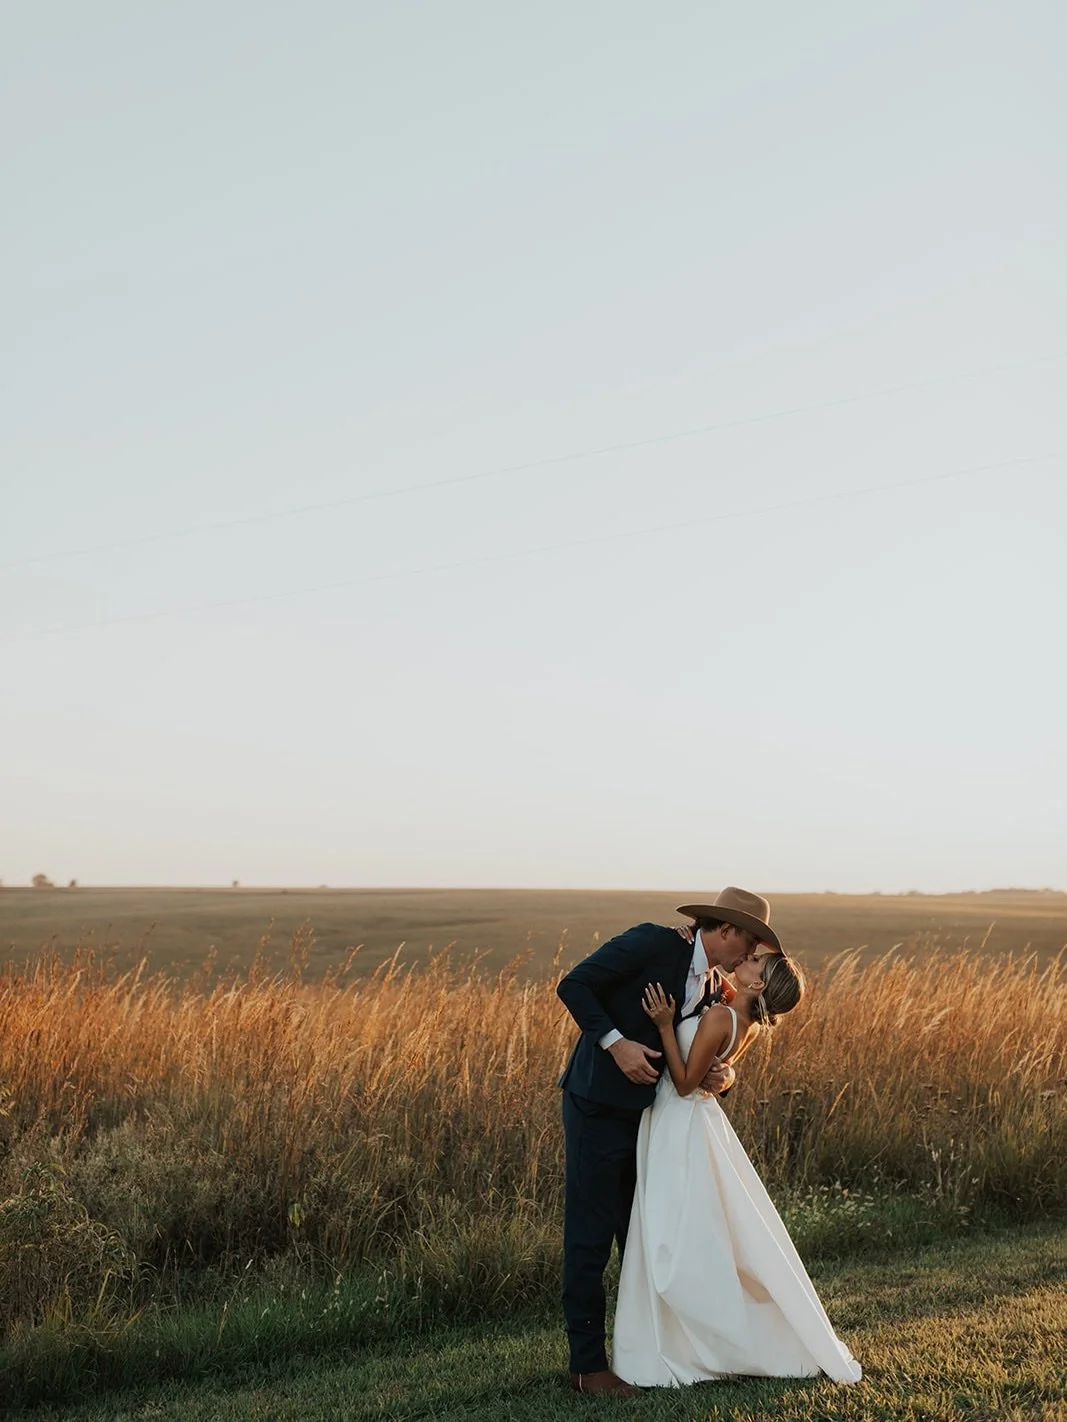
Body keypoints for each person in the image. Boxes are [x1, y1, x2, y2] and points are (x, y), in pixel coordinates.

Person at [556, 886, 784, 1398]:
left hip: (654, 1124)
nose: (750, 956)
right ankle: (587, 1367)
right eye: (748, 943)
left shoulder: (713, 985)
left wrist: (723, 1076)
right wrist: (616, 1046)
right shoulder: (650, 943)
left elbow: (717, 1044)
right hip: (598, 1106)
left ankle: (654, 1349)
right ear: (723, 930)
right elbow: (575, 985)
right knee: (590, 1235)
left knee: (643, 1236)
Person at [610, 943, 862, 1387]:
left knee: (670, 1233)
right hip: (693, 1124)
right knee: (684, 1230)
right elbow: (716, 1053)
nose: (747, 957)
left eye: (755, 961)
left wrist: (666, 1026)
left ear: (760, 982)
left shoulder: (719, 1017)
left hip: (679, 1122)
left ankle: (682, 1339)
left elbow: (687, 1083)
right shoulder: (746, 1020)